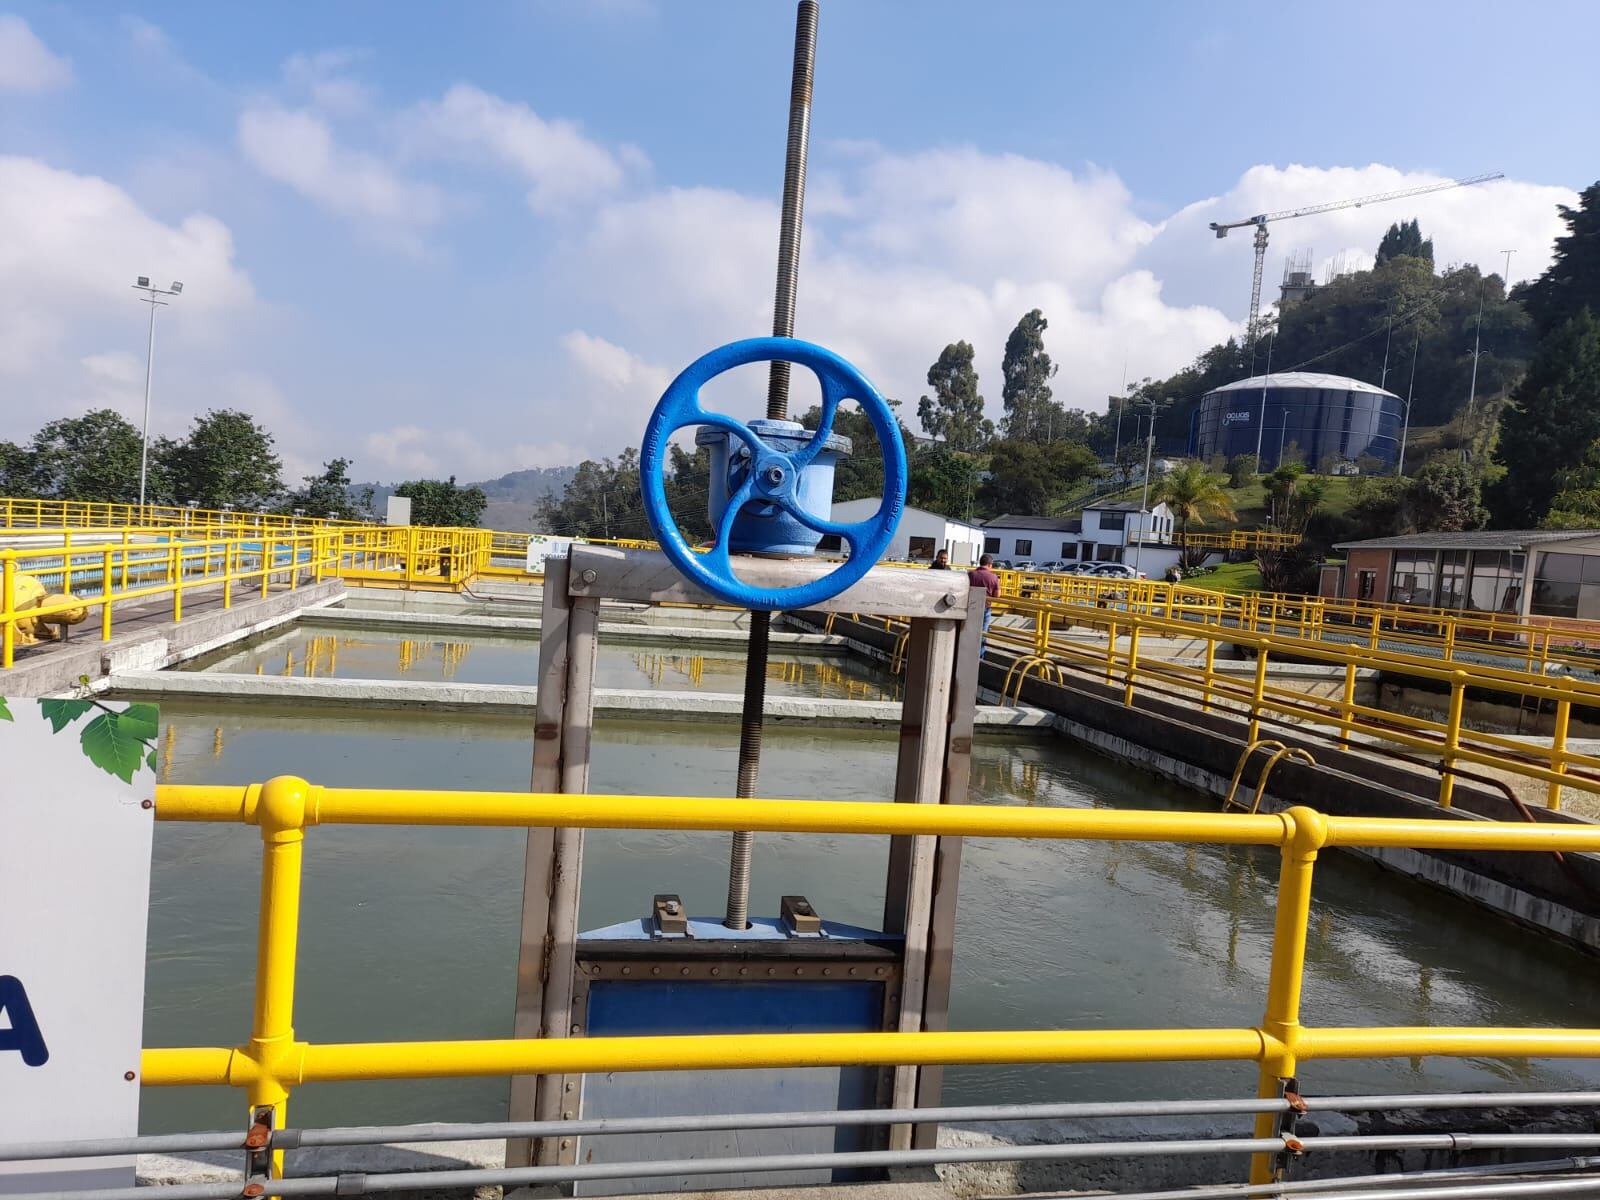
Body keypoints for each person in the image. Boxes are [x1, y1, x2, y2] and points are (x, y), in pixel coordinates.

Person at [968, 553, 1001, 653]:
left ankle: (968, 653)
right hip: (985, 607)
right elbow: (997, 595)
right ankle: (980, 656)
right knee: (982, 633)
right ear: (990, 564)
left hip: (971, 607)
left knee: (969, 632)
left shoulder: (971, 574)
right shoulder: (994, 577)